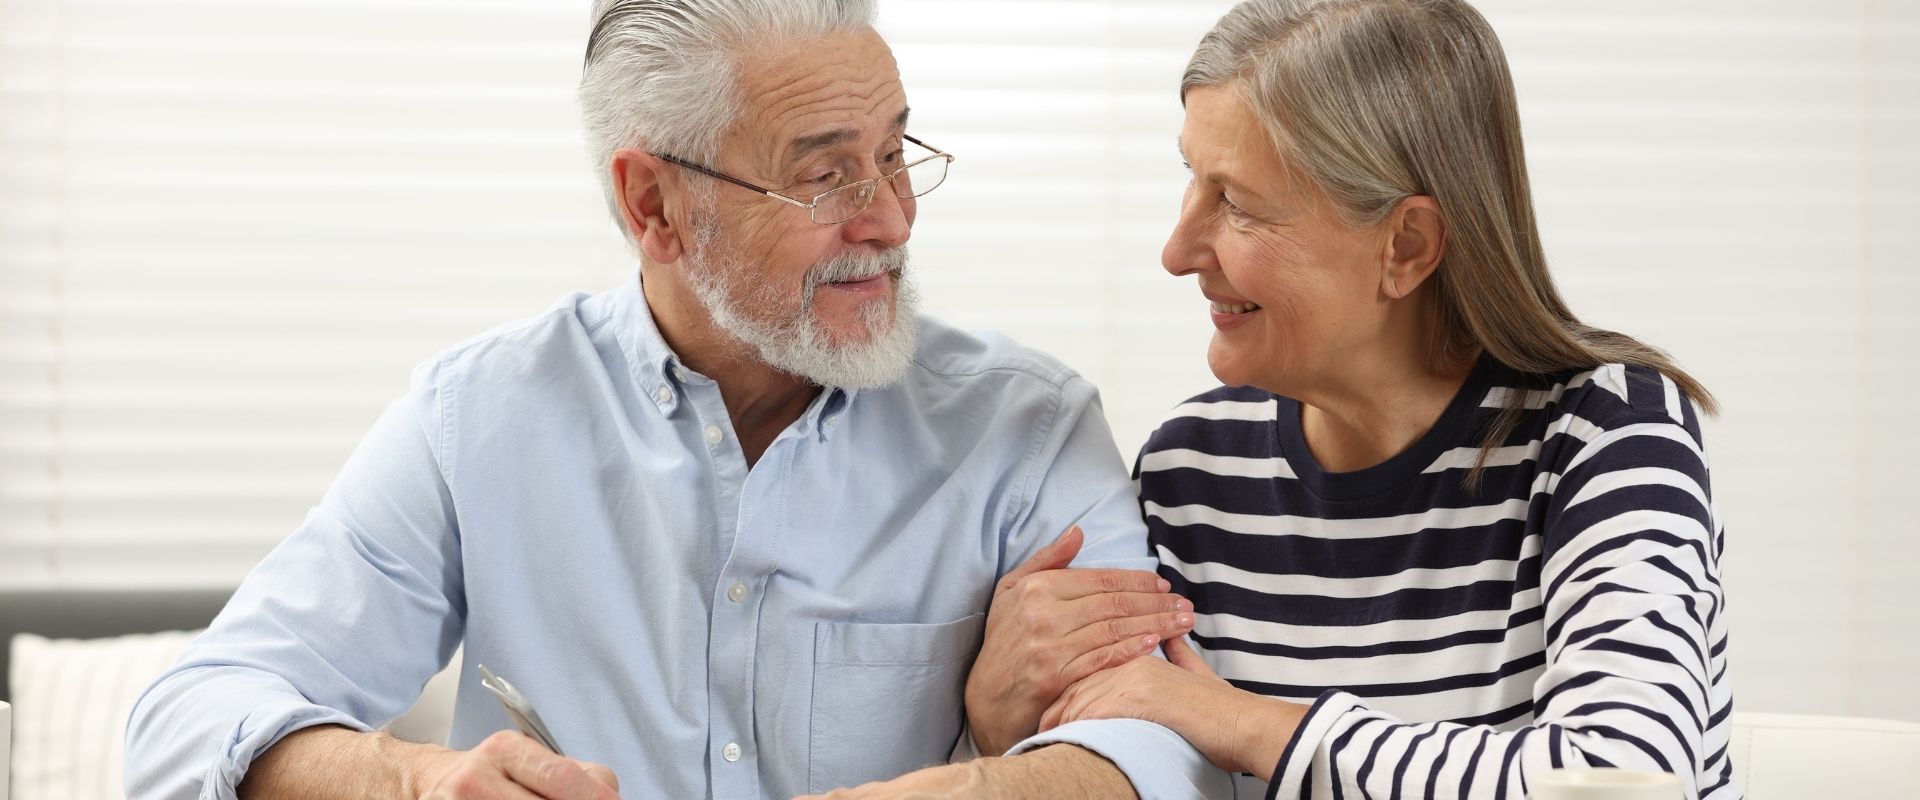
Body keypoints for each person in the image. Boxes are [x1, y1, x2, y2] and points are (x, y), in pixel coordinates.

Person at [122, 2, 1229, 798]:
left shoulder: (1027, 429)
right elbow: (191, 717)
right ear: (653, 205)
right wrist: (415, 779)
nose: (891, 218)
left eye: (895, 154)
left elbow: (1159, 753)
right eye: (826, 174)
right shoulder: (479, 417)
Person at [1028, 0, 1739, 798]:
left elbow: (1624, 776)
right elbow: (1127, 748)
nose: (1177, 250)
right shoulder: (1191, 468)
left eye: (1235, 202)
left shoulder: (1608, 433)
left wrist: (1243, 723)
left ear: (1405, 246)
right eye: (1191, 178)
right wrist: (1004, 698)